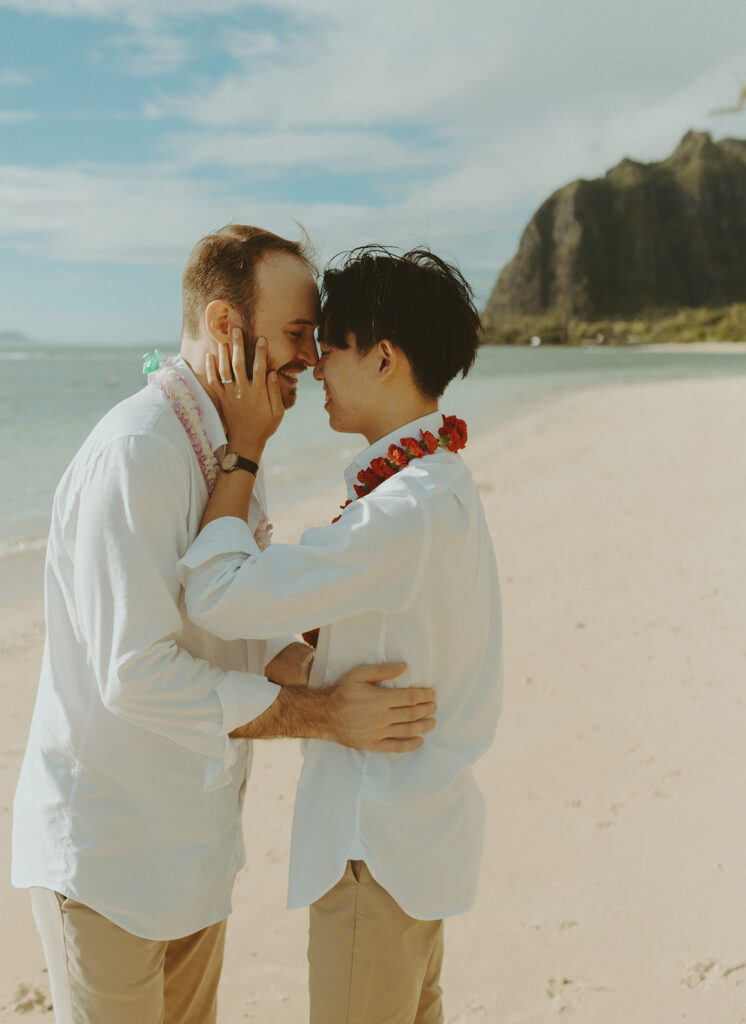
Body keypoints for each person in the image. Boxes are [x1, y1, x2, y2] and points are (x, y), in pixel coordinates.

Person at [11, 226, 436, 1024]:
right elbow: (136, 674)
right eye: (297, 335)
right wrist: (326, 718)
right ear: (222, 327)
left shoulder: (235, 443)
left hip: (194, 854)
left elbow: (241, 619)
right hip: (109, 859)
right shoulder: (139, 454)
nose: (311, 360)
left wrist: (330, 670)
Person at [178, 245, 503, 1024]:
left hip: (376, 844)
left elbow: (217, 595)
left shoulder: (402, 514)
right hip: (418, 837)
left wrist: (245, 450)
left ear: (384, 357)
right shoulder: (438, 484)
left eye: (328, 351)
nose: (315, 370)